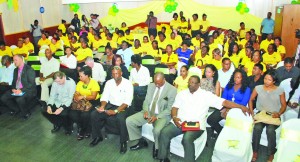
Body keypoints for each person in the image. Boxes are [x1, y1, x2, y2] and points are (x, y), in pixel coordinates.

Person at [158, 75, 250, 162]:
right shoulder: (182, 94)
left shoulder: (206, 95)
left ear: (198, 85)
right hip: (180, 122)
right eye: (189, 82)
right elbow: (175, 107)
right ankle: (163, 158)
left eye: (193, 83)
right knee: (164, 132)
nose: (190, 84)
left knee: (186, 139)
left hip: (196, 125)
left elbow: (224, 102)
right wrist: (174, 118)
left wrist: (240, 106)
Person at [126, 72, 176, 159]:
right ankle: (141, 141)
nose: (156, 85)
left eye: (159, 83)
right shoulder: (151, 86)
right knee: (129, 121)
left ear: (164, 80)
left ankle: (156, 147)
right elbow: (146, 101)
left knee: (157, 130)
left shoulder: (172, 89)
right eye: (155, 82)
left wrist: (157, 117)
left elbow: (169, 109)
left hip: (162, 115)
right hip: (149, 112)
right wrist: (145, 111)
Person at [90, 66, 133, 154]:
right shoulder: (109, 83)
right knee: (94, 114)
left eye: (117, 73)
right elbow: (104, 97)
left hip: (123, 107)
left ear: (121, 73)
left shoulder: (128, 83)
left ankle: (123, 142)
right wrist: (102, 106)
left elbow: (127, 102)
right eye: (113, 74)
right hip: (110, 105)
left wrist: (116, 111)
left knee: (120, 119)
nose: (115, 75)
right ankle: (97, 137)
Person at [249, 70, 286, 162]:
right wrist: (251, 112)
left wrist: (279, 113)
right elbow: (251, 100)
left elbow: (284, 105)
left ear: (274, 81)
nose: (266, 81)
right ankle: (255, 151)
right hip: (261, 114)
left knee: (270, 130)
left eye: (269, 80)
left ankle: (271, 153)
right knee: (257, 128)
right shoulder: (258, 88)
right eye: (265, 78)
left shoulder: (280, 90)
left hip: (273, 116)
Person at [207, 69, 251, 135]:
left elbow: (243, 104)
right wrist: (226, 109)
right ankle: (222, 133)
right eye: (235, 77)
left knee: (232, 121)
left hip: (238, 110)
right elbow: (224, 99)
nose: (236, 79)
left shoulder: (247, 89)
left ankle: (231, 136)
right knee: (210, 120)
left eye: (238, 77)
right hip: (225, 107)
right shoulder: (229, 86)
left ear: (243, 78)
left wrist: (229, 110)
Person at [0, 55, 36, 119]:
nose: (14, 62)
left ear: (21, 59)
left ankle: (26, 112)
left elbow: (31, 84)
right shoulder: (15, 70)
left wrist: (21, 90)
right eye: (13, 60)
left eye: (15, 60)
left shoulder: (29, 69)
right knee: (3, 98)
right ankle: (17, 109)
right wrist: (13, 88)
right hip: (17, 89)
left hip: (28, 90)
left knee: (19, 99)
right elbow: (14, 82)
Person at [70, 66, 100, 140]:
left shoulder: (94, 83)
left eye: (81, 76)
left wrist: (83, 96)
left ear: (87, 76)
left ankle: (84, 130)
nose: (79, 78)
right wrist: (76, 96)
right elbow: (76, 92)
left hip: (93, 102)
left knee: (85, 114)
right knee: (72, 113)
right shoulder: (80, 83)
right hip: (82, 102)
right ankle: (82, 127)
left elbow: (93, 96)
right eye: (79, 76)